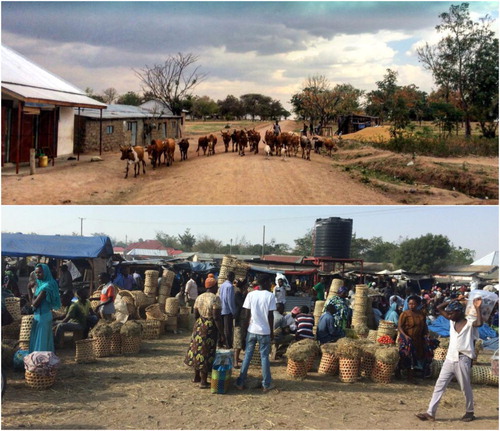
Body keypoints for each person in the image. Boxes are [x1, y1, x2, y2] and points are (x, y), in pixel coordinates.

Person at [416, 298, 483, 422]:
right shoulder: (452, 322)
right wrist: (454, 299)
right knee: (439, 385)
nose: (449, 315)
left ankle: (470, 411)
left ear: (459, 312)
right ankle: (430, 412)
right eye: (449, 313)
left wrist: (477, 307)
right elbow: (439, 308)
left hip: (463, 358)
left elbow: (479, 323)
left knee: (465, 387)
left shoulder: (469, 323)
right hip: (449, 358)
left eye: (452, 313)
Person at [235, 274, 276, 392]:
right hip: (264, 331)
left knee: (247, 355)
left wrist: (245, 329)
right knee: (264, 357)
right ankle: (266, 384)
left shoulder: (251, 294)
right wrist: (271, 332)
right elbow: (270, 316)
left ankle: (240, 382)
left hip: (251, 330)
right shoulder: (270, 296)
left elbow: (246, 314)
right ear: (267, 283)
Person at [184, 275, 224, 389]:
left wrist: (200, 323)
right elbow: (216, 317)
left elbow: (196, 314)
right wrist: (221, 333)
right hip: (209, 327)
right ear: (214, 286)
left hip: (199, 325)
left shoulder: (199, 297)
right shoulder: (215, 298)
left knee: (197, 351)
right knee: (206, 353)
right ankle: (203, 381)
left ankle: (196, 376)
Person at [29, 263, 62, 353]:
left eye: (39, 272)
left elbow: (34, 304)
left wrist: (29, 290)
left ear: (46, 272)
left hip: (43, 316)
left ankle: (41, 362)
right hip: (38, 316)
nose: (37, 275)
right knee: (39, 340)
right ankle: (38, 360)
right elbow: (32, 303)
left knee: (42, 342)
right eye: (36, 273)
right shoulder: (40, 284)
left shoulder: (47, 286)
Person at [398, 295, 430, 382]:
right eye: (410, 304)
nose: (412, 306)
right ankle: (406, 375)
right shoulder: (405, 314)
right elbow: (400, 327)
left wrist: (426, 334)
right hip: (407, 339)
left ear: (418, 304)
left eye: (414, 304)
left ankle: (412, 375)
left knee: (416, 356)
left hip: (418, 339)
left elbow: (424, 326)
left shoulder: (421, 314)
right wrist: (405, 336)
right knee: (407, 356)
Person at [218, 271, 236, 348]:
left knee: (221, 328)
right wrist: (233, 311)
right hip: (227, 310)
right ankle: (228, 344)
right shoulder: (230, 286)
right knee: (228, 329)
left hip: (221, 309)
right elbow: (230, 300)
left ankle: (220, 343)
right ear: (232, 277)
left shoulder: (222, 285)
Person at [233, 279, 247, 368]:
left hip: (242, 319)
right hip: (239, 319)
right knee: (237, 341)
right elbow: (242, 304)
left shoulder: (240, 294)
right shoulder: (238, 294)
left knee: (241, 339)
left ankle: (237, 358)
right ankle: (235, 361)